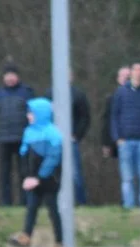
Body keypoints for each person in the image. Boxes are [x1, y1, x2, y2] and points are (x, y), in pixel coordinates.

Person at [7, 98, 63, 247]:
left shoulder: (53, 134)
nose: (28, 115)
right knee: (31, 207)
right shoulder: (28, 132)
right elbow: (24, 155)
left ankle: (59, 240)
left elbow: (53, 158)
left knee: (52, 208)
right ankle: (26, 236)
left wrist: (39, 178)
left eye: (31, 113)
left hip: (49, 179)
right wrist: (26, 176)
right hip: (33, 179)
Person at [111, 62, 140, 209]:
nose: (138, 73)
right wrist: (117, 138)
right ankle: (129, 206)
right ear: (130, 73)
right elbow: (114, 116)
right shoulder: (120, 92)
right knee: (127, 177)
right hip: (125, 141)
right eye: (135, 70)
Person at [44, 70, 91, 206]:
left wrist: (76, 135)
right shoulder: (49, 94)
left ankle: (81, 203)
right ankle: (54, 204)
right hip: (53, 142)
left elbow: (85, 117)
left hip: (70, 142)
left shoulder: (78, 95)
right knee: (52, 173)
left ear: (72, 77)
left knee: (75, 174)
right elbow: (43, 116)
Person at [0, 63, 36, 206]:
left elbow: (33, 115)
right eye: (7, 75)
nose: (10, 78)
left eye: (13, 75)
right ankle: (6, 202)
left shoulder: (27, 92)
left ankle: (25, 201)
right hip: (4, 139)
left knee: (24, 172)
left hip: (23, 138)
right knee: (5, 173)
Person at [100, 66, 130, 162]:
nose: (125, 78)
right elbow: (107, 120)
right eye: (123, 76)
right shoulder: (112, 98)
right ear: (118, 79)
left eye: (128, 76)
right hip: (119, 141)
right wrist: (106, 143)